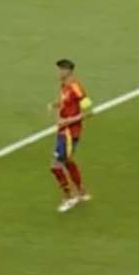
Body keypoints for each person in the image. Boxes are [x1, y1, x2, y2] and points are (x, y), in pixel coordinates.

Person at [50, 58, 93, 212]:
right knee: (68, 161)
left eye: (60, 69)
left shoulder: (75, 87)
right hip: (64, 130)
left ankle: (69, 197)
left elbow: (89, 111)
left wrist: (68, 120)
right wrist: (56, 105)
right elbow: (67, 103)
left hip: (69, 133)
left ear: (67, 71)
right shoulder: (64, 86)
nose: (58, 72)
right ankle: (81, 192)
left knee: (56, 166)